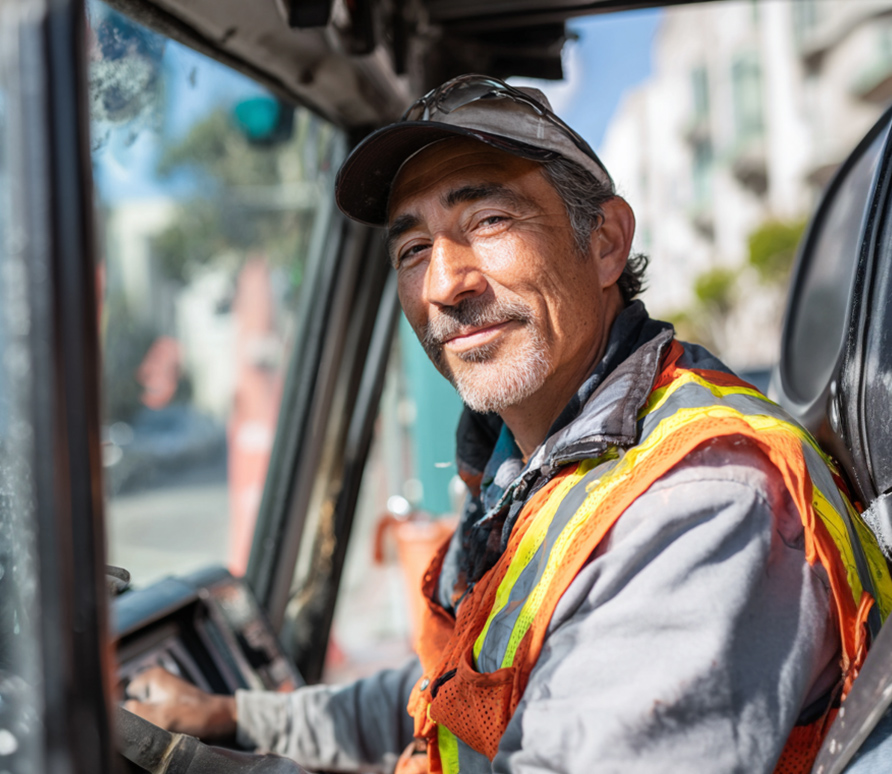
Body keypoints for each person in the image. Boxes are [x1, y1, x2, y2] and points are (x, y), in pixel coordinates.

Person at [125, 74, 892, 773]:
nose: (445, 285)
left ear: (604, 242)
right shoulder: (536, 466)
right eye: (415, 249)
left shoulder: (704, 501)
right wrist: (237, 716)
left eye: (489, 220)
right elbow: (458, 690)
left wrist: (183, 767)